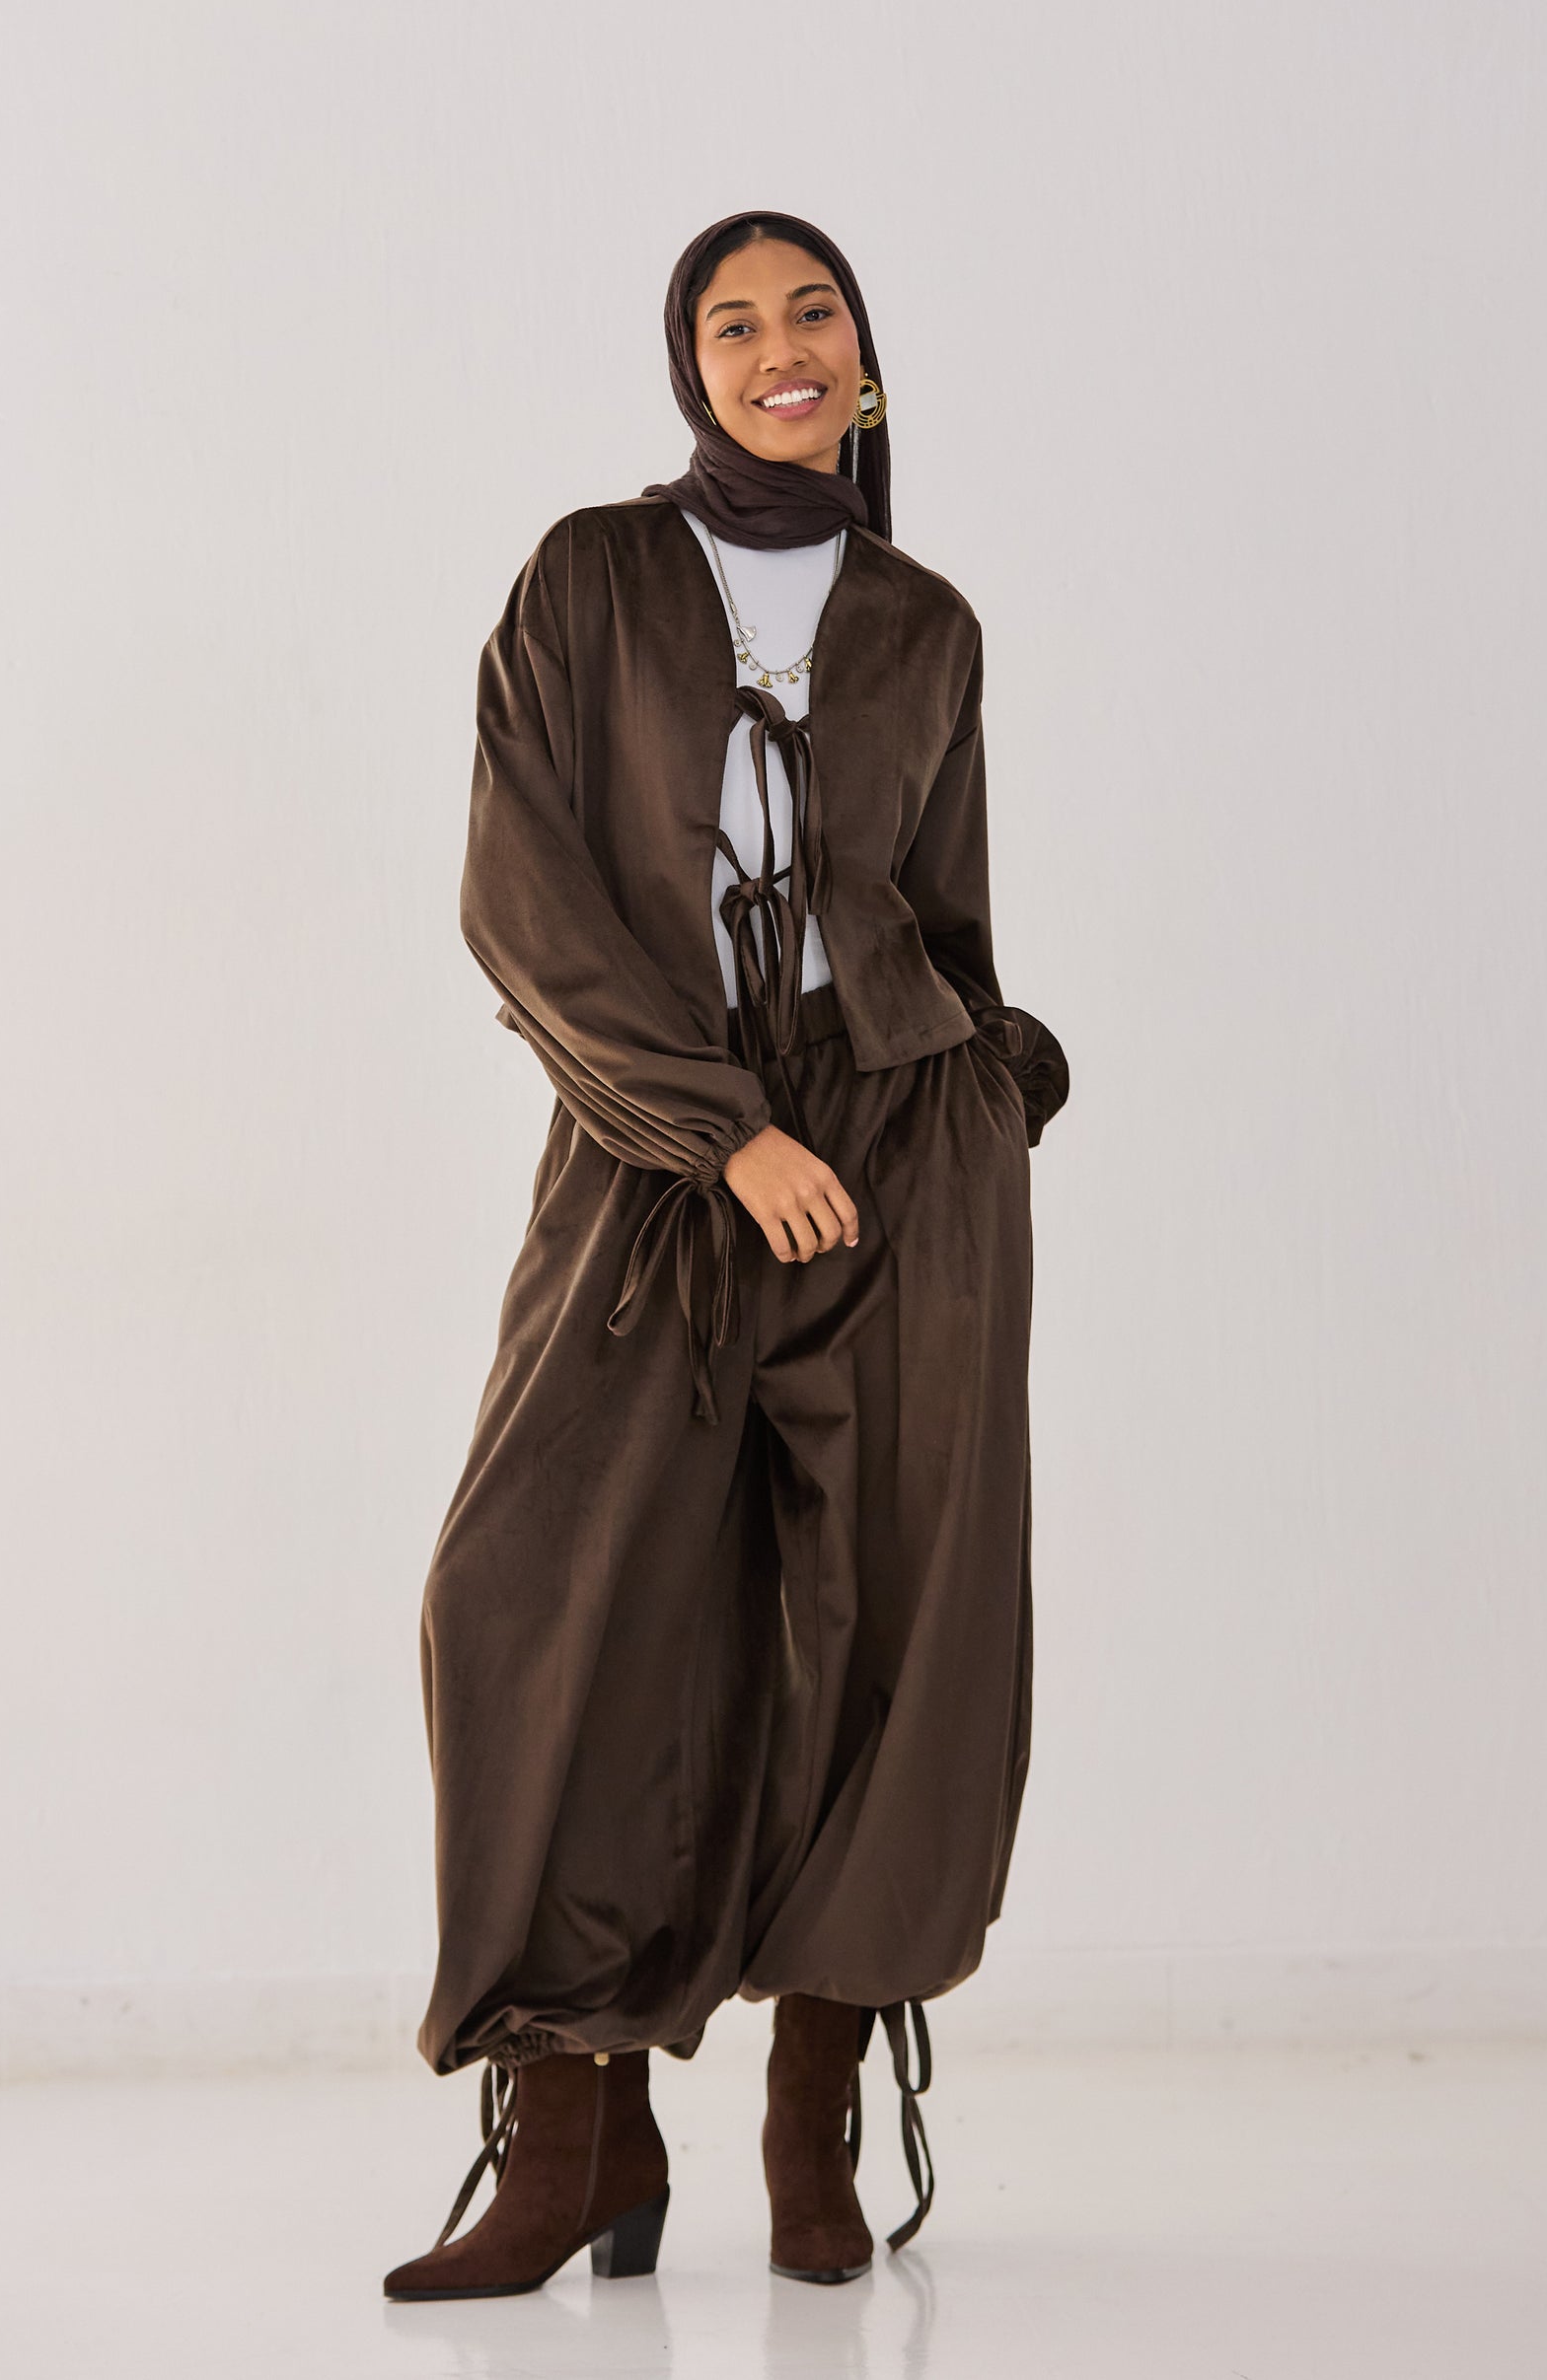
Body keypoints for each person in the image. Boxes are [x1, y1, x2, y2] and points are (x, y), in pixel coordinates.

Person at [384, 211, 1069, 2303]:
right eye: (734, 321)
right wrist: (719, 1126)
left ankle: (811, 2114)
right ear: (687, 365)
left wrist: (983, 1092)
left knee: (883, 1630)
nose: (781, 347)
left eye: (814, 312)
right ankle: (579, 2124)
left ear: (864, 353)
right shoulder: (590, 578)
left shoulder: (926, 623)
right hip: (661, 1151)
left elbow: (943, 915)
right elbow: (520, 895)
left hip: (904, 1168)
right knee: (538, 1596)